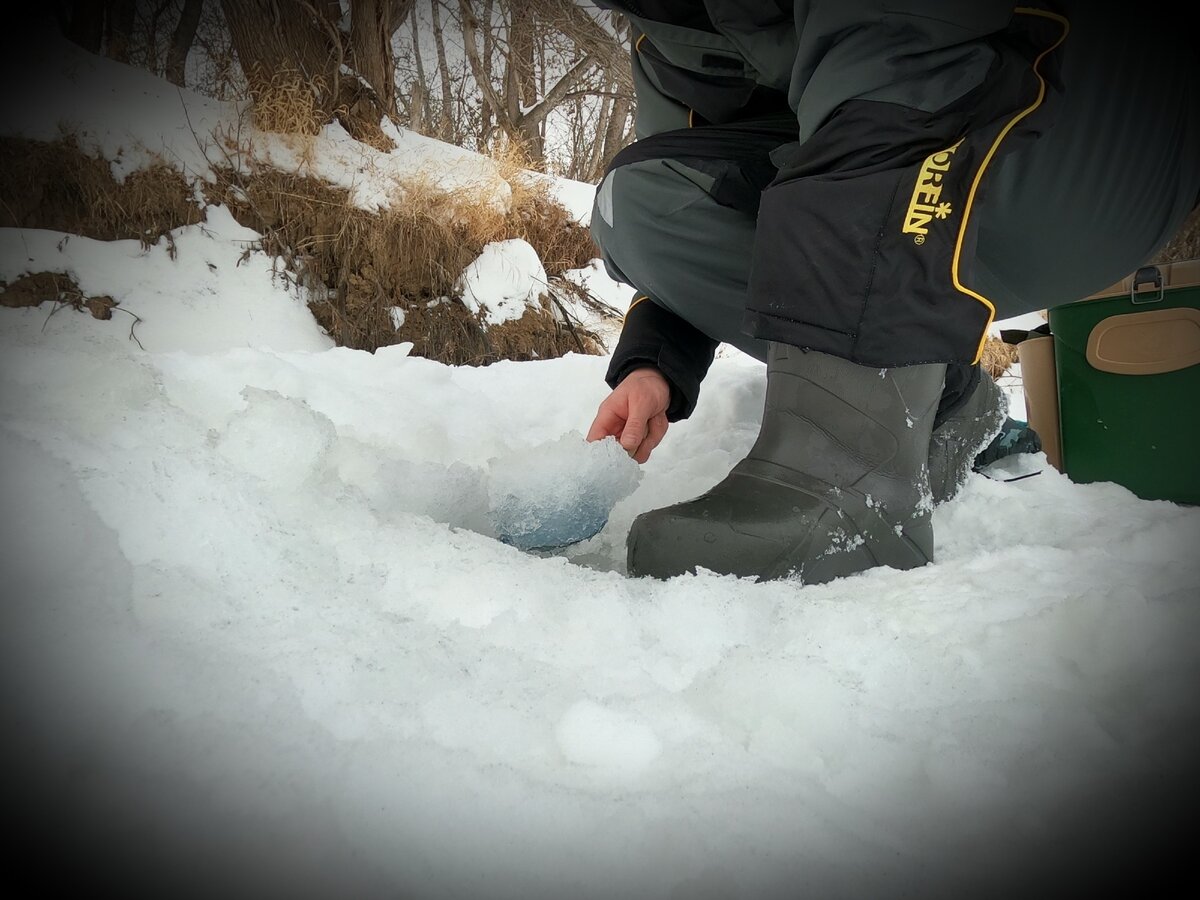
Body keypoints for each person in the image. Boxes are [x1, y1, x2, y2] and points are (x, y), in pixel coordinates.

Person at [583, 1, 1200, 583]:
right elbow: (684, 192)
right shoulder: (663, 32)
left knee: (884, 92)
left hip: (1074, 141)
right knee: (633, 201)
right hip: (912, 173)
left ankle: (855, 483)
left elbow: (899, 76)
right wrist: (653, 363)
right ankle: (938, 398)